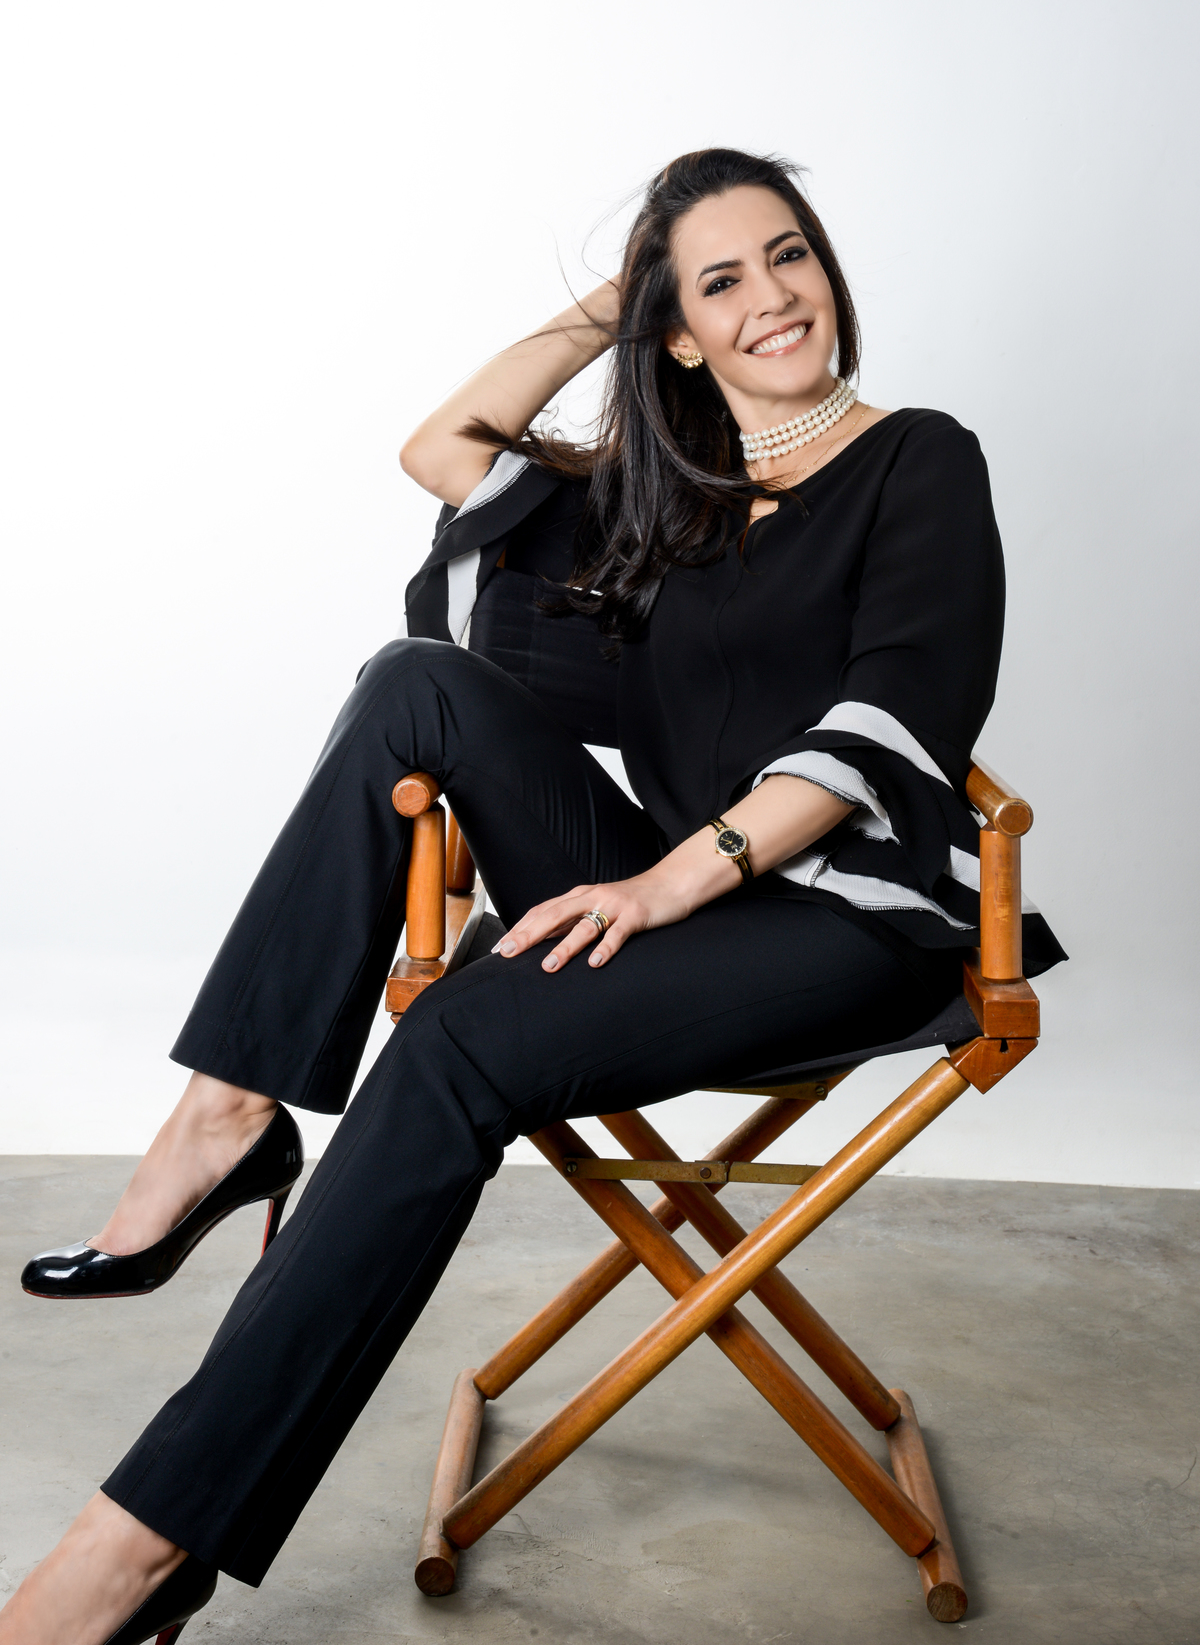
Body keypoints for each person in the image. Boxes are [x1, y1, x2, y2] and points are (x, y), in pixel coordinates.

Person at [0, 148, 1064, 1644]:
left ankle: (135, 1549)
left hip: (846, 922)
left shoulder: (921, 460)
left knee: (463, 1030)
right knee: (413, 682)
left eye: (789, 255)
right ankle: (229, 1115)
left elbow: (900, 708)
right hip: (673, 902)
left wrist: (672, 879)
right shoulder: (676, 504)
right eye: (719, 281)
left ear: (829, 268)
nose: (772, 296)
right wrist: (615, 300)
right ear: (673, 330)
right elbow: (443, 446)